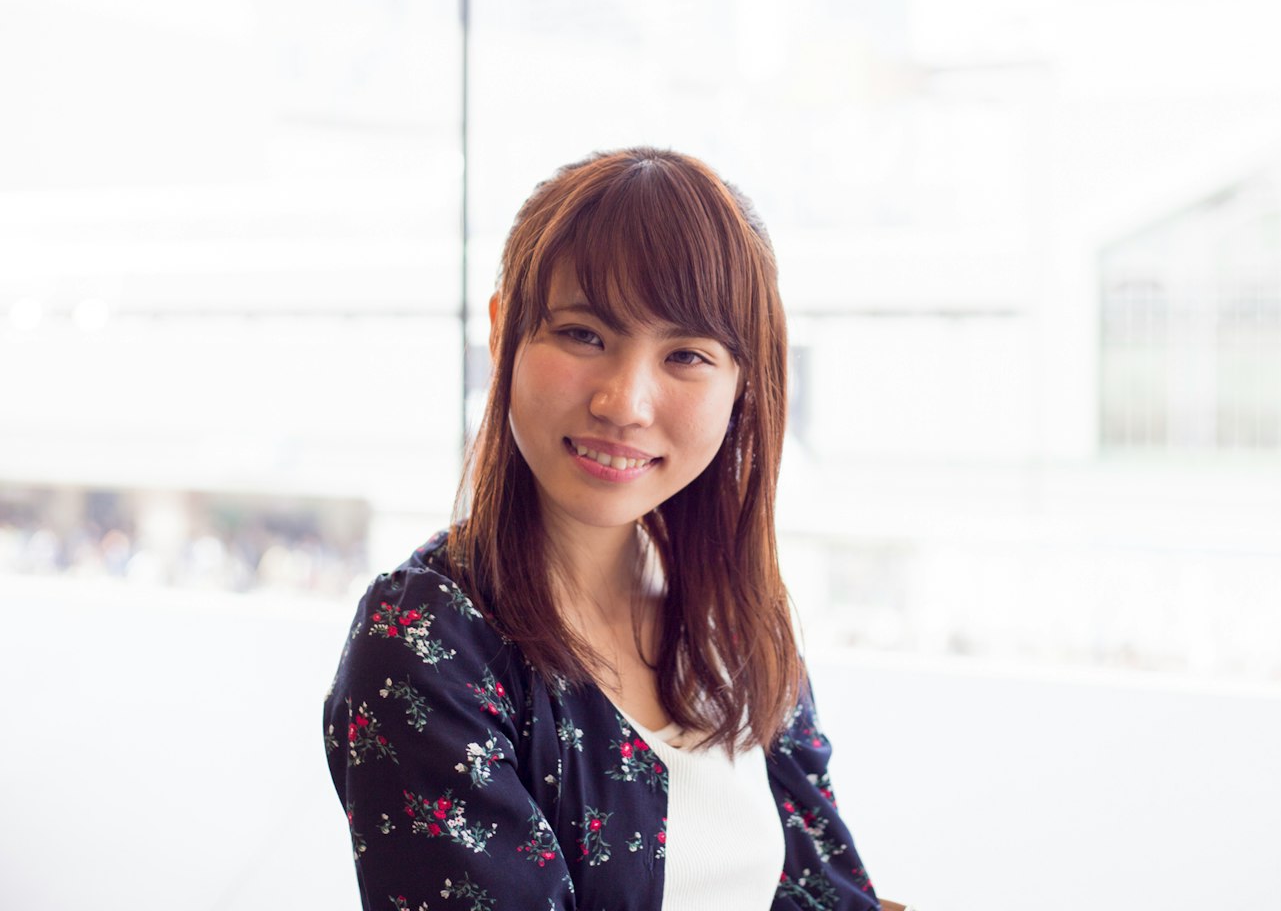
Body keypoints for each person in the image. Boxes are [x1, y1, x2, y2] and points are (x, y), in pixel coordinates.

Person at [323, 147, 891, 911]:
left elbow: (827, 895)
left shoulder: (735, 616)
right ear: (502, 333)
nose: (625, 402)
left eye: (686, 354)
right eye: (585, 335)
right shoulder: (428, 639)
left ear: (742, 385)